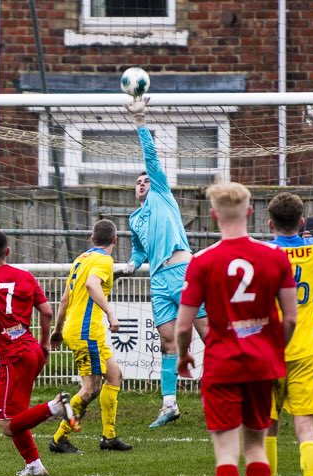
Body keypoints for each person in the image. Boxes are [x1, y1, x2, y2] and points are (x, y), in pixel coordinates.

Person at [176, 181, 298, 476]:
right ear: (249, 212)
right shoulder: (274, 257)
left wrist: (183, 357)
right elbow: (291, 317)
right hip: (263, 364)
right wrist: (273, 349)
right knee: (257, 445)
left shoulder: (202, 261)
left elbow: (183, 326)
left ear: (213, 215)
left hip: (222, 365)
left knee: (226, 454)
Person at [120, 96, 209, 428]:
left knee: (207, 334)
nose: (142, 183)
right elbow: (141, 251)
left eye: (146, 180)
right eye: (138, 182)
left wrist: (140, 121)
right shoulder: (133, 218)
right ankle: (169, 404)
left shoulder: (161, 194)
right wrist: (130, 264)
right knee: (167, 340)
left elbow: (151, 158)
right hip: (157, 280)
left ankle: (232, 395)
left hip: (183, 270)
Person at [0, 229, 79, 476]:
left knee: (7, 424)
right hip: (33, 350)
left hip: (13, 357)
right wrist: (45, 343)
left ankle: (55, 408)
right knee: (19, 414)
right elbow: (46, 311)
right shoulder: (25, 276)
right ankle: (34, 464)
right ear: (7, 251)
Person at [265, 192, 313, 476]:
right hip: (305, 350)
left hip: (270, 352)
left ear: (270, 223)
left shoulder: (262, 253)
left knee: (268, 430)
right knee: (306, 430)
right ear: (303, 222)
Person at [49, 219, 133, 454]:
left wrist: (57, 330)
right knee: (90, 390)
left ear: (92, 239)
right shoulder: (104, 260)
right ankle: (60, 438)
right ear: (115, 240)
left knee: (114, 376)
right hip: (87, 332)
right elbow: (91, 285)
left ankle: (109, 437)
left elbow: (65, 298)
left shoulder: (81, 259)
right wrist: (111, 313)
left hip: (78, 329)